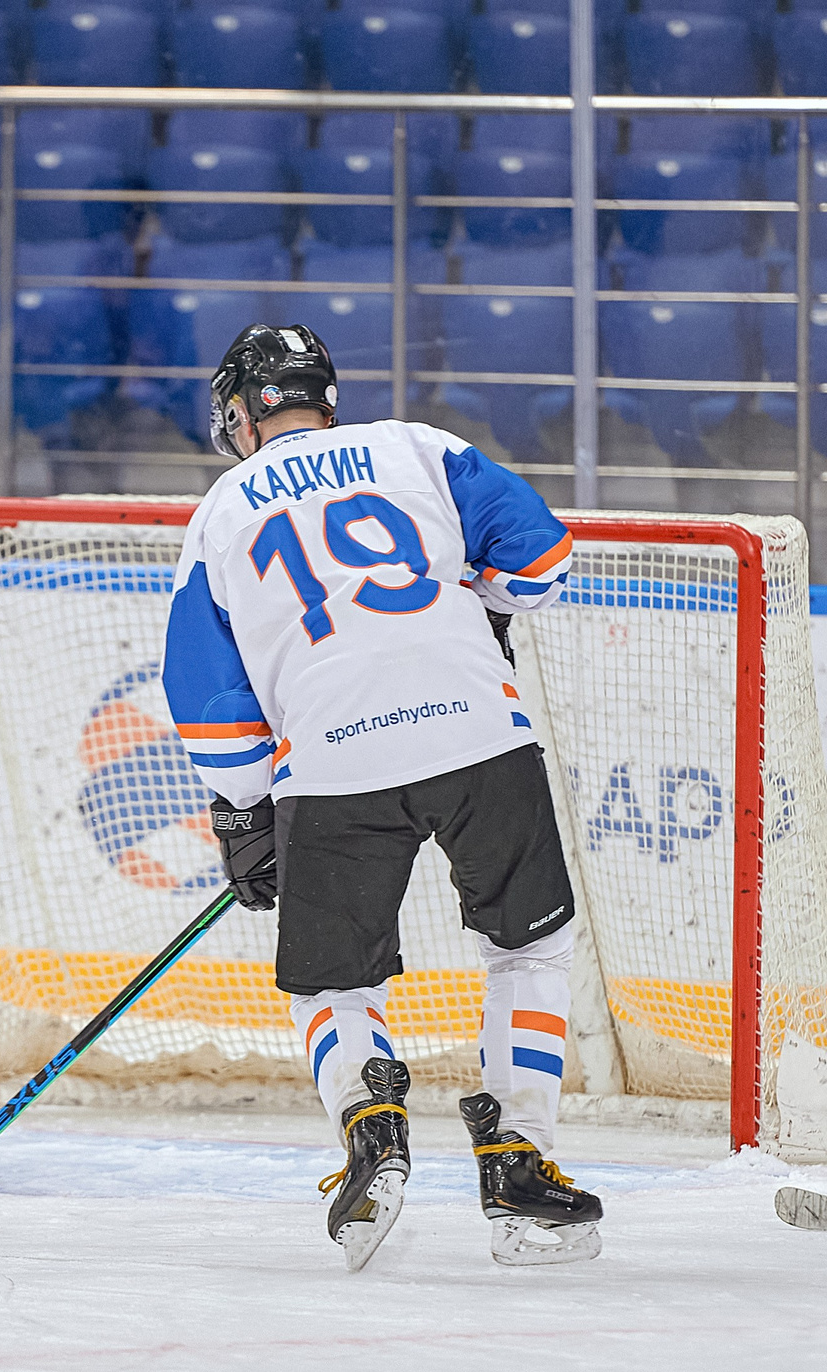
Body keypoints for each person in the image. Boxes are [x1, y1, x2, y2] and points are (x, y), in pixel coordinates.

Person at [160, 323, 604, 1272]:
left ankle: (370, 1129)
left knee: (333, 979)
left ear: (240, 413)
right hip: (479, 734)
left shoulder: (221, 512)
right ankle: (521, 1166)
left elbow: (210, 702)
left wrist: (243, 808)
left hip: (331, 762)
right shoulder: (421, 448)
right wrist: (479, 603)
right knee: (529, 948)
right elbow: (544, 560)